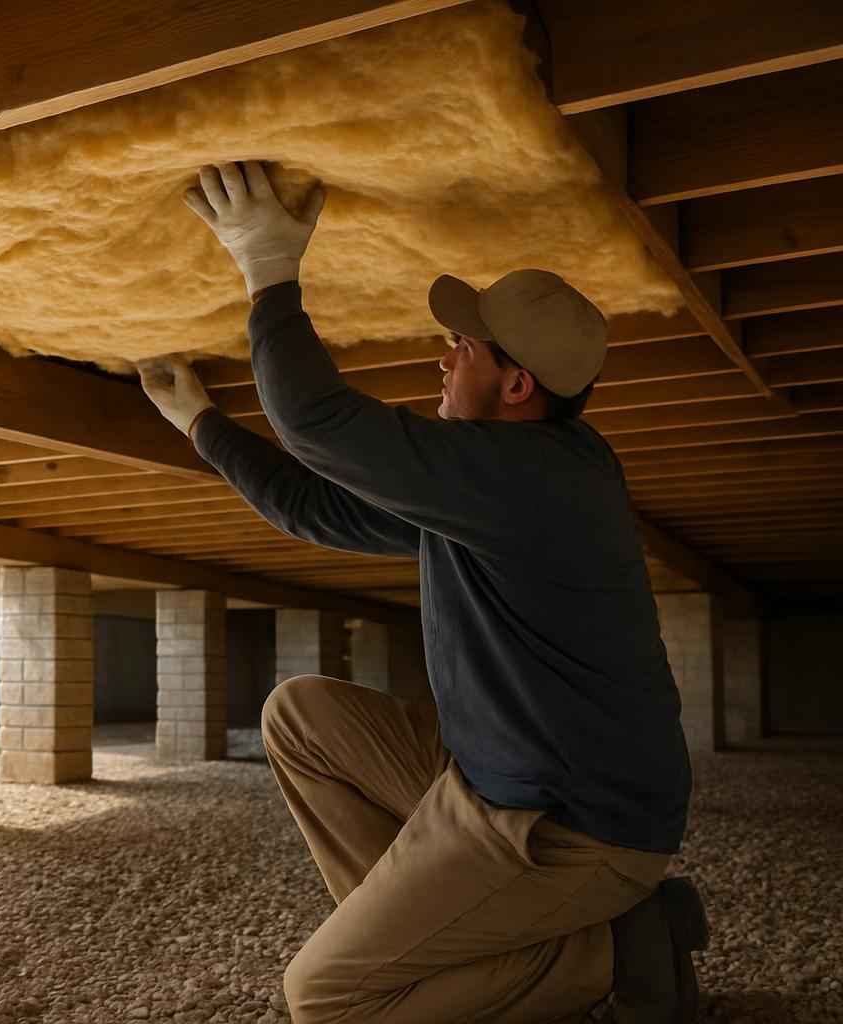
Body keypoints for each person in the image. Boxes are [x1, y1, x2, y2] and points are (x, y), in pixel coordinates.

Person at [138, 161, 710, 1024]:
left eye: (465, 348)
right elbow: (317, 507)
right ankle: (431, 945)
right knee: (299, 717)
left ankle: (615, 948)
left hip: (575, 829)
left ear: (517, 386)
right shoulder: (496, 484)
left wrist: (269, 269)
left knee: (326, 998)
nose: (444, 358)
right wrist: (201, 426)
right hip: (497, 779)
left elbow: (318, 421)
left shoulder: (530, 481)